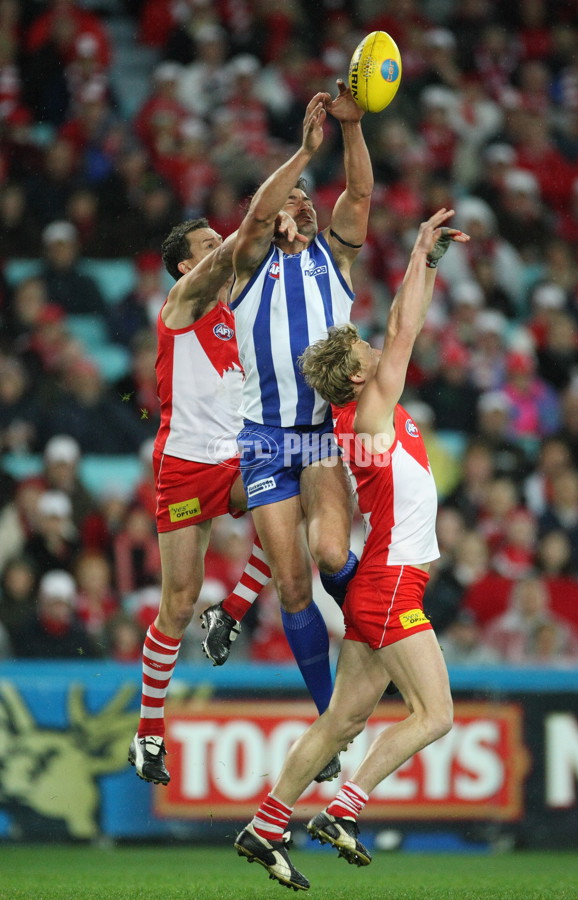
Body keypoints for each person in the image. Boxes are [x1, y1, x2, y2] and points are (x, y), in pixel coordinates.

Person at [233, 209, 468, 890]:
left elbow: (404, 330)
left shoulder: (353, 414)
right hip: (393, 583)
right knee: (437, 714)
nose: (378, 351)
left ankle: (265, 824)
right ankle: (345, 808)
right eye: (367, 354)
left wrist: (425, 263)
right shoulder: (370, 412)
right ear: (360, 377)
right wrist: (421, 249)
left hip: (380, 586)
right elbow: (403, 329)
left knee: (341, 720)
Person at [128, 208, 322, 786]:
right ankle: (148, 734)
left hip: (237, 456)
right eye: (208, 243)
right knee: (177, 604)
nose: (221, 247)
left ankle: (232, 612)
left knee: (299, 495)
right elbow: (237, 251)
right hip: (186, 467)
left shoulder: (239, 311)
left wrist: (297, 228)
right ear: (187, 264)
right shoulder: (180, 305)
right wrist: (269, 213)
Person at [209, 88, 372, 775]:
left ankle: (387, 639)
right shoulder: (244, 264)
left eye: (307, 194)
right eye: (292, 197)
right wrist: (304, 151)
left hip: (321, 436)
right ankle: (331, 721)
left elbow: (360, 196)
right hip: (268, 440)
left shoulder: (334, 258)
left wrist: (353, 131)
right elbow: (251, 217)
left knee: (335, 554)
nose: (302, 202)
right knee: (295, 588)